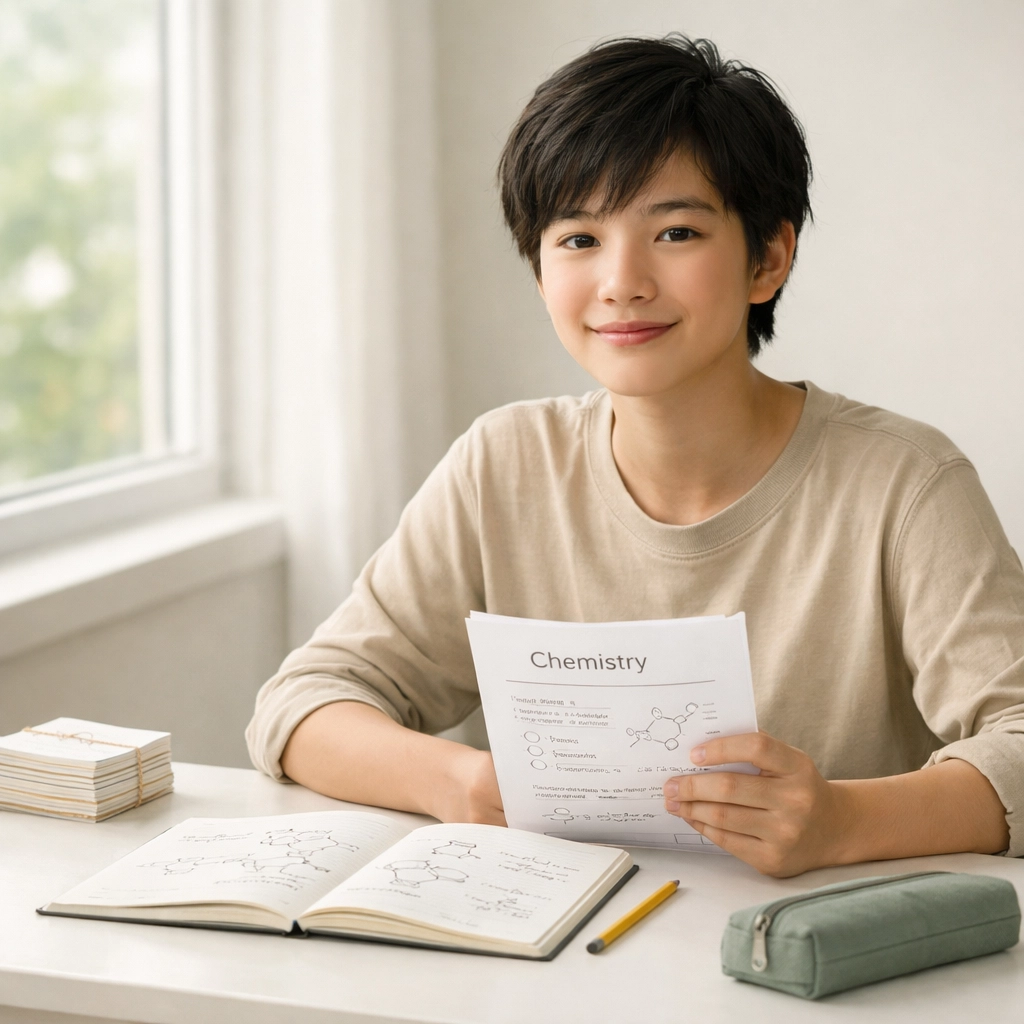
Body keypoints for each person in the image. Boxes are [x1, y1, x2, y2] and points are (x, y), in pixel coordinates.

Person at [246, 35, 1024, 877]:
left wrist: (842, 820)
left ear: (768, 258)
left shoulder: (904, 483)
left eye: (677, 231)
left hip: (813, 971)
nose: (622, 281)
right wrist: (461, 782)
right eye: (578, 239)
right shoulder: (502, 464)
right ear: (540, 269)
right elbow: (301, 704)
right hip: (554, 957)